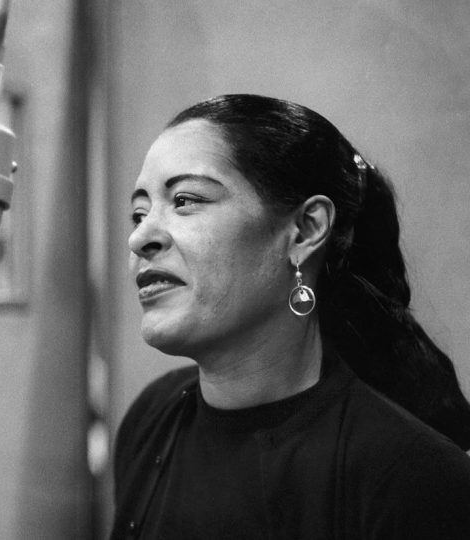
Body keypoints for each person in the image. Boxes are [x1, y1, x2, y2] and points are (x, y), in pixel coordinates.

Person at [111, 94, 470, 540]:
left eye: (185, 200)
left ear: (305, 230)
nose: (139, 238)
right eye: (139, 213)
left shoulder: (411, 477)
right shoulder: (152, 419)